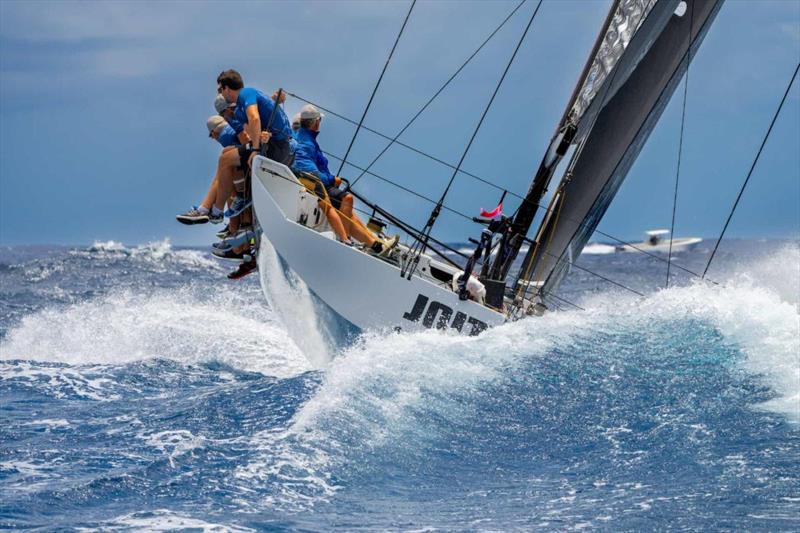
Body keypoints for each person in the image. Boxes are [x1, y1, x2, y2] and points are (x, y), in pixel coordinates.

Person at [292, 104, 398, 256]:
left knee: (350, 214)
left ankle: (375, 244)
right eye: (319, 120)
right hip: (318, 184)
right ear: (315, 122)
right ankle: (346, 241)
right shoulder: (306, 142)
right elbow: (309, 171)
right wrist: (332, 179)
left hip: (320, 182)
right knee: (347, 199)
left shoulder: (307, 138)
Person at [212, 69, 294, 218]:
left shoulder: (245, 93)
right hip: (275, 145)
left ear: (226, 88)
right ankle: (222, 206)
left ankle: (216, 211)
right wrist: (262, 136)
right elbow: (253, 128)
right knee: (228, 155)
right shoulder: (240, 109)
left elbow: (255, 119)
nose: (220, 94)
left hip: (279, 148)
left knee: (225, 160)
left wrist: (255, 149)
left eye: (220, 89)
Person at [176, 115, 241, 224]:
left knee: (223, 166)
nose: (213, 139)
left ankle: (211, 211)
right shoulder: (232, 128)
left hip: (251, 162)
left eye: (211, 136)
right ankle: (208, 210)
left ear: (214, 132)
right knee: (223, 165)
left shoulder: (225, 136)